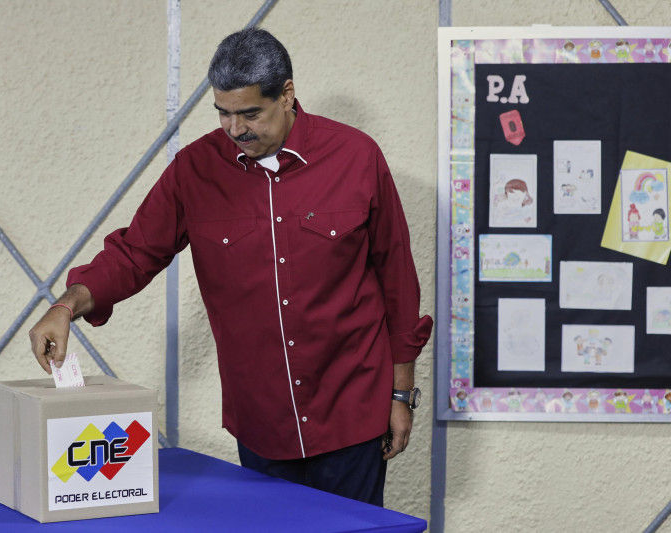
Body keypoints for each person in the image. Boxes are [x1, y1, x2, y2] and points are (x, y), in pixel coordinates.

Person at [28, 28, 432, 507]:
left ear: (286, 94)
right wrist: (67, 304)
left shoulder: (357, 157)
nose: (235, 129)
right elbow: (134, 252)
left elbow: (398, 284)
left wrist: (400, 395)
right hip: (261, 424)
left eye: (249, 114)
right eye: (223, 113)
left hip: (353, 413)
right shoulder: (193, 171)